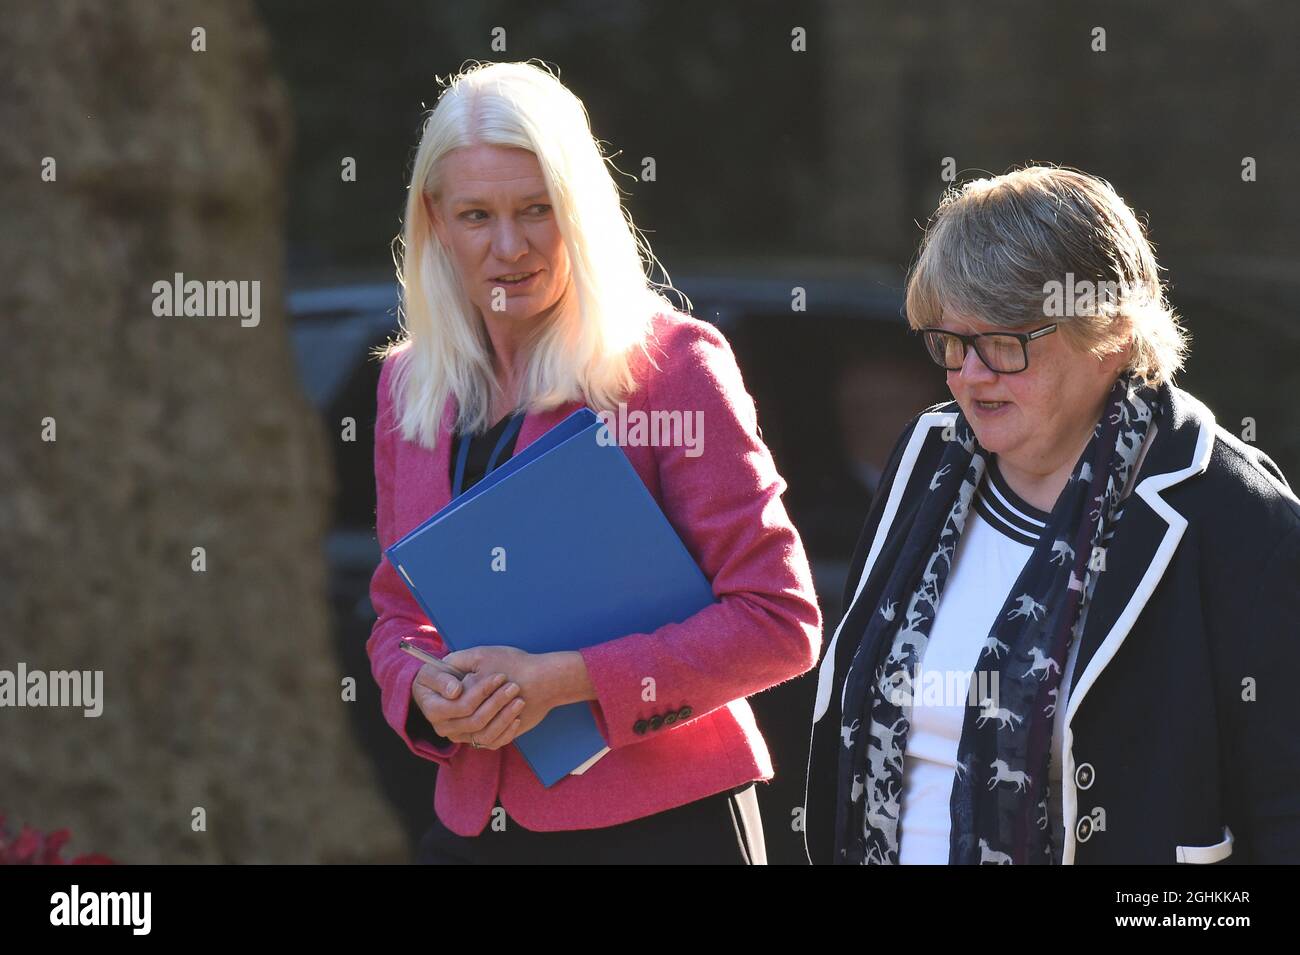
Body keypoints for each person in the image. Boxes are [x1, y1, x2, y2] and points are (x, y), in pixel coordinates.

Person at [367, 61, 821, 864]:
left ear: (579, 209)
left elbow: (779, 622)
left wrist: (564, 679)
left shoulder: (672, 364)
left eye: (537, 210)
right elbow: (400, 613)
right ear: (435, 219)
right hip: (474, 827)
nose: (509, 248)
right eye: (477, 215)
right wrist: (422, 690)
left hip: (660, 831)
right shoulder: (409, 382)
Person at [805, 165, 1300, 864]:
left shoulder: (1234, 515)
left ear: (1112, 336)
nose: (970, 374)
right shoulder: (928, 455)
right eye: (950, 341)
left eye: (1005, 343)